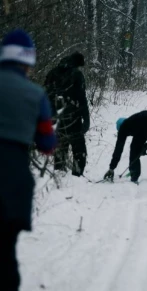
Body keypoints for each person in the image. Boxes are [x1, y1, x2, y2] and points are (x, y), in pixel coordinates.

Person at [0, 30, 57, 291]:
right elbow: (46, 144)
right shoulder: (36, 95)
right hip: (12, 182)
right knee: (5, 255)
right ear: (28, 62)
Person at [45, 51, 89, 177]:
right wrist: (86, 119)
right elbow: (82, 98)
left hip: (56, 116)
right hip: (73, 115)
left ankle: (59, 174)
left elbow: (45, 94)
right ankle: (77, 174)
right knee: (79, 148)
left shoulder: (52, 73)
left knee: (60, 145)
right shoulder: (77, 74)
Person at [103, 111, 147, 184]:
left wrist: (112, 168)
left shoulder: (124, 126)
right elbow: (145, 137)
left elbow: (119, 148)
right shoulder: (135, 123)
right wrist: (144, 148)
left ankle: (134, 174)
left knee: (134, 148)